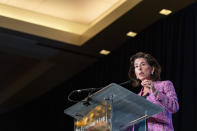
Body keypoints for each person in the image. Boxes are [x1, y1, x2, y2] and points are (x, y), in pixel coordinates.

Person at [127, 52, 179, 131]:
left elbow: (174, 107)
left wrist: (155, 91)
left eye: (143, 64)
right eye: (136, 66)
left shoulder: (165, 85)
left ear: (152, 69)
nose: (139, 68)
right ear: (136, 74)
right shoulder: (136, 97)